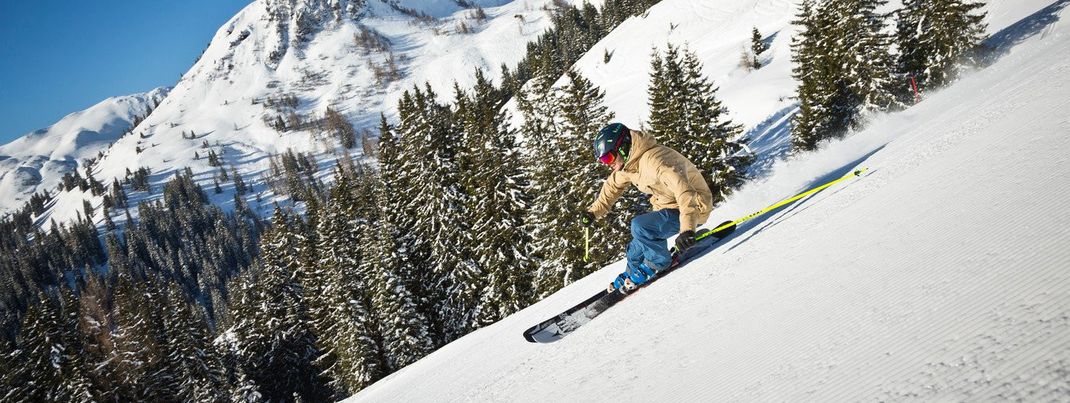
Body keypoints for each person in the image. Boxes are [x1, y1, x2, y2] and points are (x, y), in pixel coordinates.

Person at [580, 122, 714, 293]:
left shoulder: (656, 161)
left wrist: (687, 229)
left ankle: (657, 263)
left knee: (640, 227)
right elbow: (612, 186)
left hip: (695, 207)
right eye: (603, 160)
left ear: (622, 147)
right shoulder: (630, 165)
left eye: (608, 158)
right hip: (670, 209)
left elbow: (684, 191)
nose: (607, 164)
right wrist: (593, 213)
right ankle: (631, 273)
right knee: (636, 246)